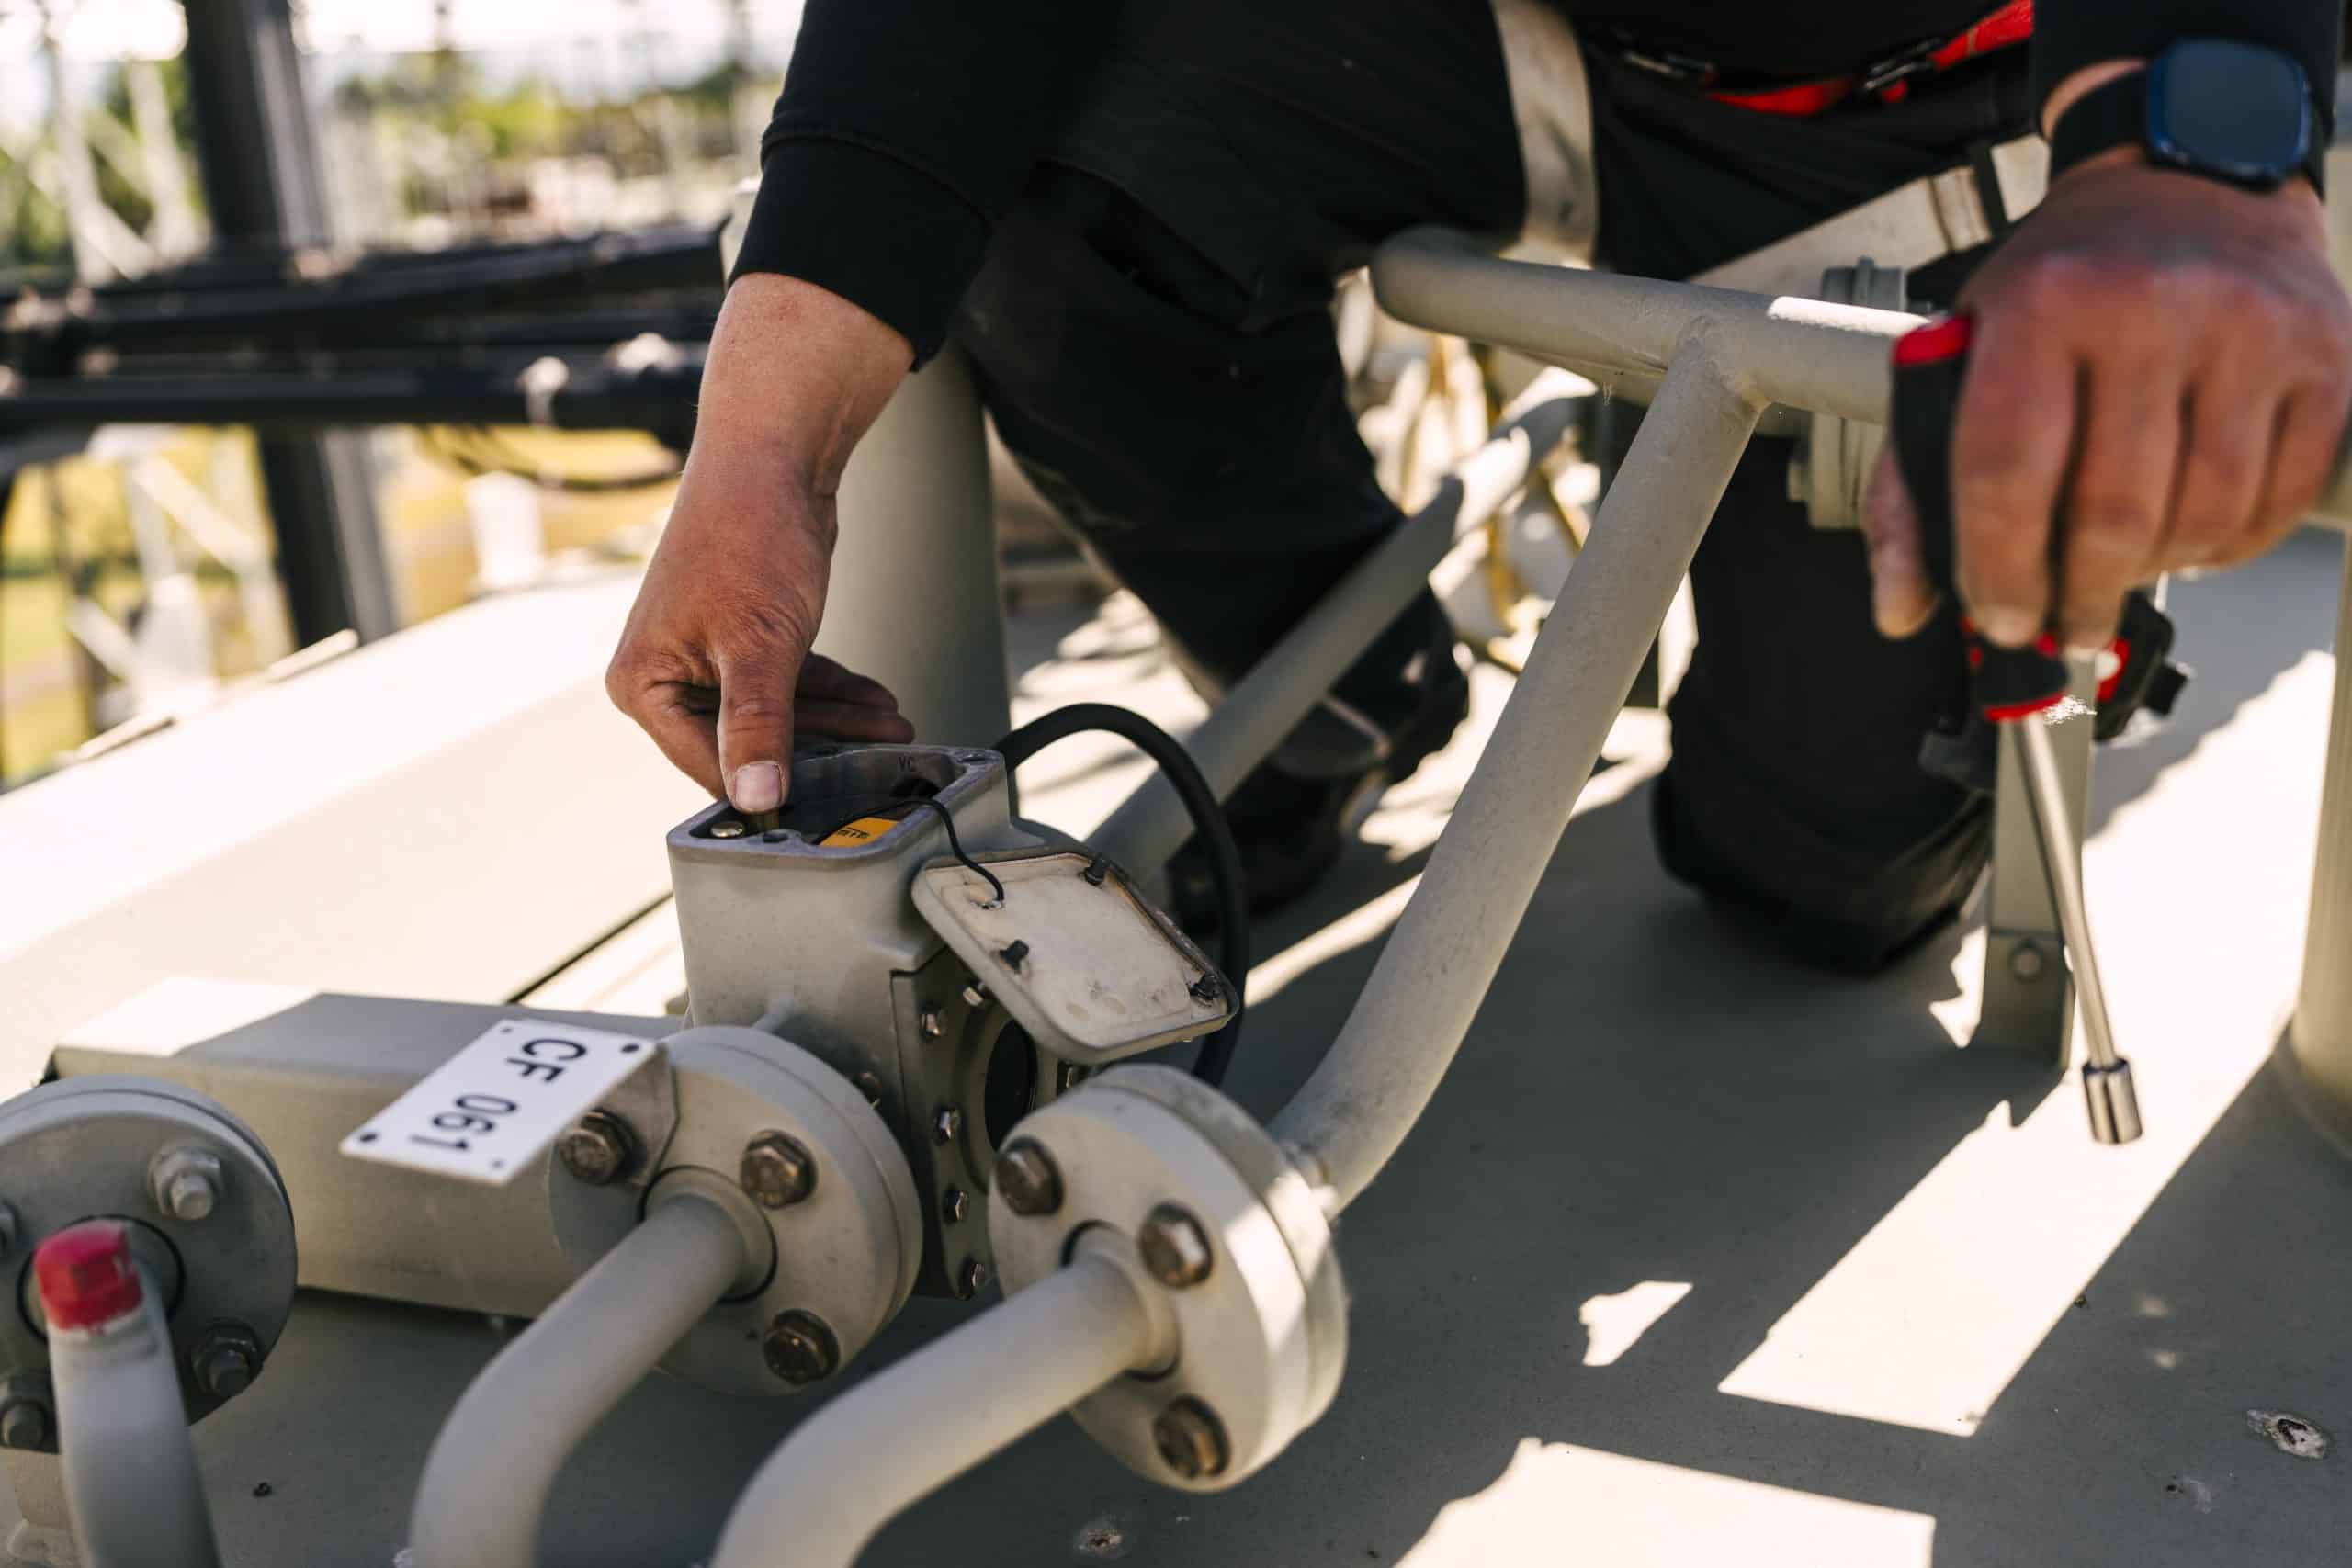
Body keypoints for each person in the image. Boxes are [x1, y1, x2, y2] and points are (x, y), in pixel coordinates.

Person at [605, 2, 2352, 970]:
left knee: (1816, 890)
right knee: (1059, 193)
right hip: (1504, 39)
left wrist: (2189, 161)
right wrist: (759, 453)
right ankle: (1343, 701)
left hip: (1947, 113)